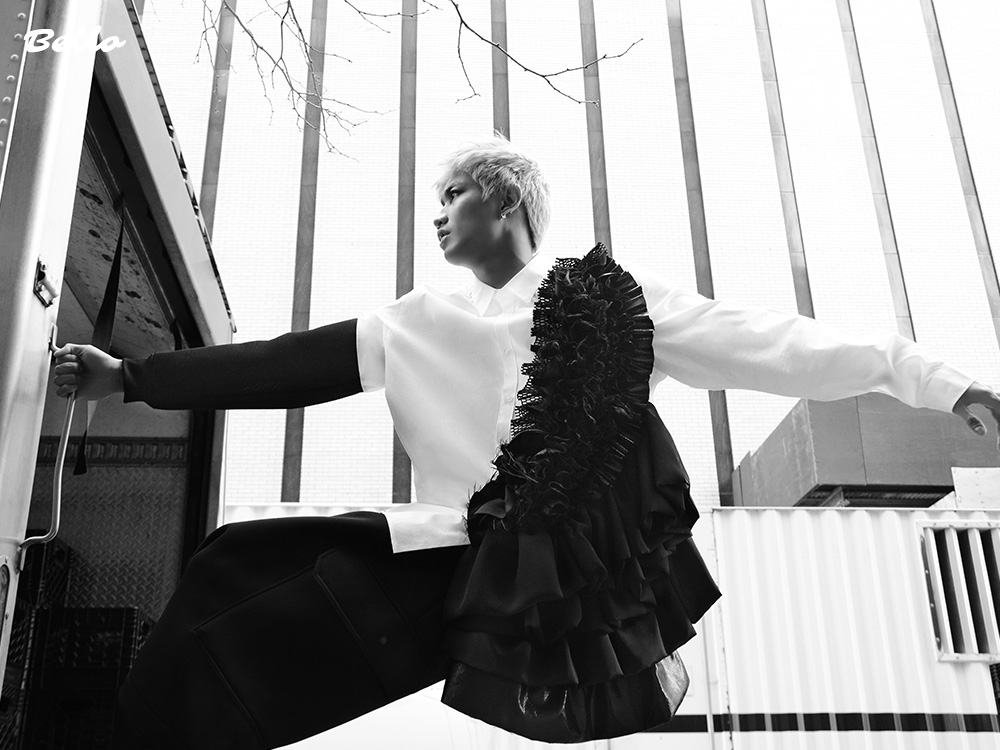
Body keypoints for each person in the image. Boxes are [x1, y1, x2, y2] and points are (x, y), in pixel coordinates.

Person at [53, 136, 999, 749]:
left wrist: (935, 380)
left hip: (568, 579)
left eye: (454, 192)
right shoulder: (414, 323)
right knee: (233, 572)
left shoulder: (613, 298)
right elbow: (279, 366)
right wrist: (131, 378)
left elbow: (770, 342)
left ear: (505, 201)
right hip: (450, 563)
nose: (438, 211)